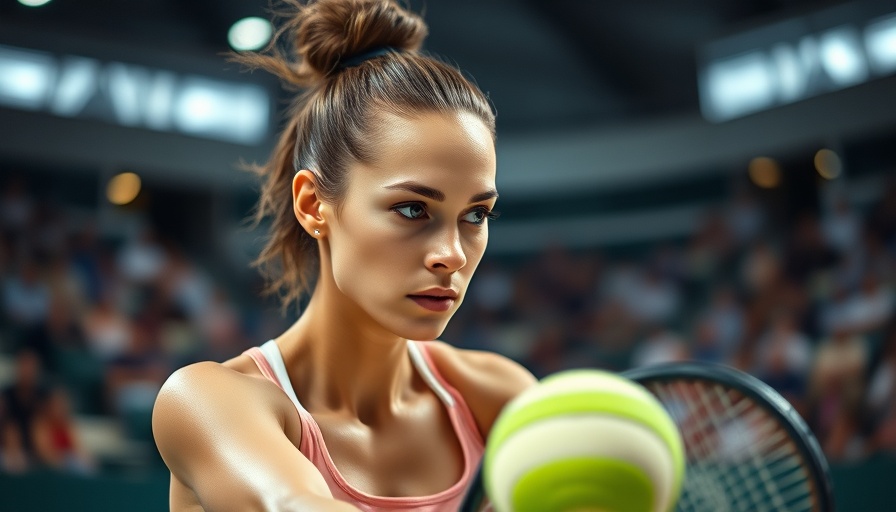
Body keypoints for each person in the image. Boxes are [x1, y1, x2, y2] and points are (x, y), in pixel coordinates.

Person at [151, 1, 536, 511]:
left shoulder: (498, 395)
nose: (451, 255)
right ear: (314, 205)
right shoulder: (206, 400)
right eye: (411, 209)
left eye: (475, 215)